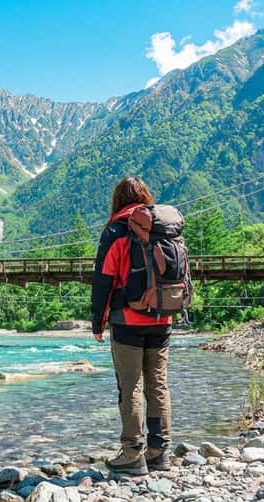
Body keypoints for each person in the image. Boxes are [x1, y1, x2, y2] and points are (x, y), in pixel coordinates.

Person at [91, 176, 173, 476]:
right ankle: (159, 452)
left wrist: (97, 323)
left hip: (127, 320)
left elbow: (103, 281)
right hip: (163, 318)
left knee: (132, 387)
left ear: (118, 201)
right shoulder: (164, 228)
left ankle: (132, 454)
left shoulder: (116, 231)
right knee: (158, 385)